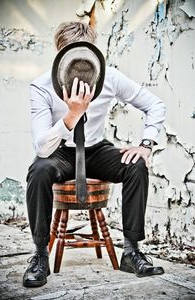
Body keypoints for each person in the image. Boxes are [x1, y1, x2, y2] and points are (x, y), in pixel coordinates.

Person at [23, 21, 166, 288]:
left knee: (136, 165)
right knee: (39, 169)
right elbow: (42, 148)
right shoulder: (41, 86)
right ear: (59, 54)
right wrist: (72, 115)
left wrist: (146, 144)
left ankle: (132, 250)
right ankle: (40, 254)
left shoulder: (109, 77)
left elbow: (155, 104)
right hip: (60, 152)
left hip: (97, 149)